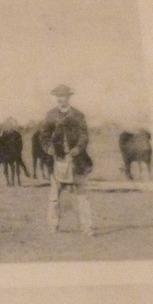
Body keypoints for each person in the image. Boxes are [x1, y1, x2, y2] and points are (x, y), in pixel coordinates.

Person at [44, 84, 94, 235]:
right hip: (58, 160)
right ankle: (52, 227)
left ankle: (87, 228)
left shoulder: (78, 115)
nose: (60, 99)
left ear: (69, 97)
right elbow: (44, 136)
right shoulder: (50, 115)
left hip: (76, 161)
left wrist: (78, 148)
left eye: (63, 95)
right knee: (54, 197)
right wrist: (48, 148)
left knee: (82, 196)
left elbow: (84, 136)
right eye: (58, 96)